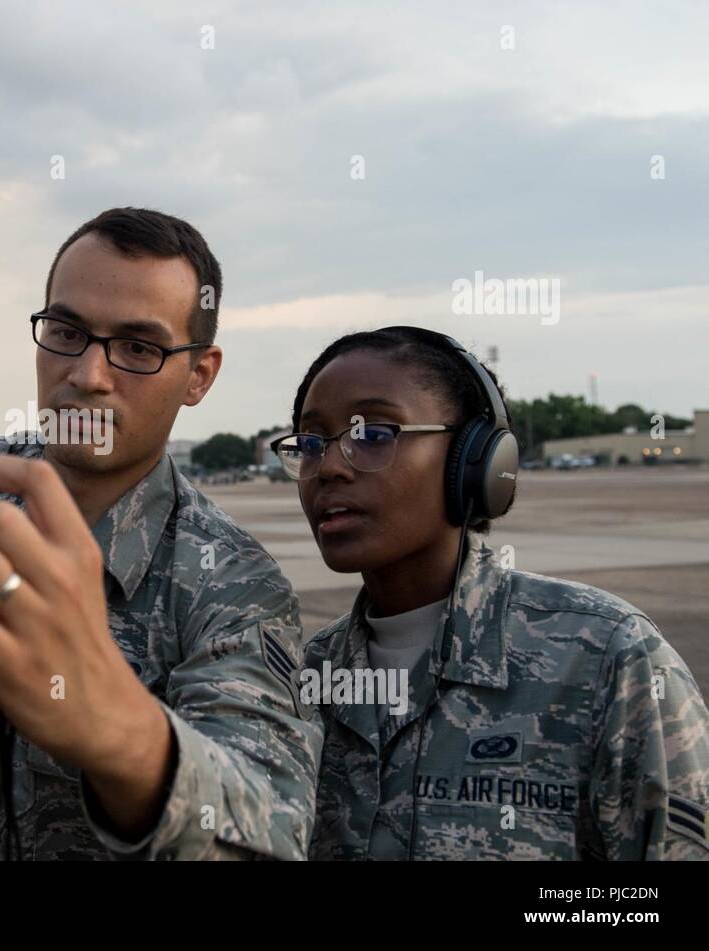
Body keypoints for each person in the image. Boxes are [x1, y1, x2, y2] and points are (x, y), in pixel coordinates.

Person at [0, 207, 321, 860]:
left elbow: (270, 831)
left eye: (139, 347)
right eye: (66, 331)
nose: (87, 375)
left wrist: (120, 732)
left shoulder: (234, 591)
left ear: (199, 374)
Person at [278, 325, 709, 859]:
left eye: (373, 434)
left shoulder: (604, 658)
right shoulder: (301, 680)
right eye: (311, 443)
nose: (331, 467)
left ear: (476, 460)